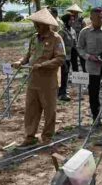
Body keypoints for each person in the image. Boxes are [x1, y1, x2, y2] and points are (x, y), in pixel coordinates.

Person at [14, 9, 65, 145]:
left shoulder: (56, 38)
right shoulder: (33, 38)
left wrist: (43, 65)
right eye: (35, 24)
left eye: (38, 24)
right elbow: (28, 56)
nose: (36, 27)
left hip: (48, 82)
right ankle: (30, 136)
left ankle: (47, 136)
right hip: (33, 80)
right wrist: (20, 62)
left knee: (49, 111)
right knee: (31, 109)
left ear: (46, 24)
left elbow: (60, 58)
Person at [58, 13, 77, 101]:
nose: (72, 21)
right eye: (71, 20)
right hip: (62, 56)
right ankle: (62, 93)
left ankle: (63, 90)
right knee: (63, 74)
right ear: (66, 21)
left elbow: (75, 42)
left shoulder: (72, 30)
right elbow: (58, 45)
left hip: (70, 56)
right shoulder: (62, 32)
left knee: (66, 73)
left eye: (73, 19)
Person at [66, 4, 86, 73]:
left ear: (77, 12)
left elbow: (85, 32)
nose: (72, 13)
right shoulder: (69, 21)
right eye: (71, 11)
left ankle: (85, 78)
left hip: (80, 44)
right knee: (74, 62)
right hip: (72, 44)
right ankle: (76, 78)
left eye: (74, 11)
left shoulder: (82, 21)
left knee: (83, 61)